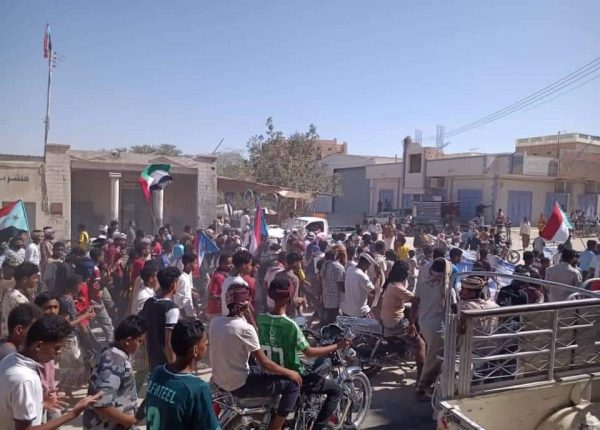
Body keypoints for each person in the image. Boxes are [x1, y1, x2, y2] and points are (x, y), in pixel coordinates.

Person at [257, 278, 347, 430]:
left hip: (269, 374)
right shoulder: (291, 325)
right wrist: (337, 346)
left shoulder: (261, 319)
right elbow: (309, 352)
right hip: (292, 376)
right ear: (288, 297)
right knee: (336, 390)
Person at [210, 283, 302, 430]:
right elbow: (265, 363)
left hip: (221, 380)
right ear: (246, 302)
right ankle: (276, 427)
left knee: (261, 370)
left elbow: (255, 337)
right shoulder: (245, 329)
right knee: (293, 385)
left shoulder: (215, 323)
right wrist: (290, 372)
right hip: (241, 385)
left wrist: (248, 314)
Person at [0, 314, 101, 429]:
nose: (59, 352)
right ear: (39, 346)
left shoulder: (11, 360)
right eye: (56, 348)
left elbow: (11, 406)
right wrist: (73, 413)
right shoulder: (26, 380)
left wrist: (40, 403)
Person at [142, 320, 219, 429]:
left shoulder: (158, 373)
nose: (207, 346)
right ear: (195, 350)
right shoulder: (198, 389)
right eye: (206, 343)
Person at [83, 315, 147, 430]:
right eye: (140, 341)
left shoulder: (111, 352)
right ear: (128, 341)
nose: (141, 345)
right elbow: (101, 404)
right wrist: (129, 421)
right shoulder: (114, 360)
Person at [409, 257, 451, 398]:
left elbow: (415, 304)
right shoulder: (447, 288)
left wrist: (411, 323)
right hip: (438, 327)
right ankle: (422, 387)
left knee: (432, 355)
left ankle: (429, 384)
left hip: (424, 324)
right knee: (434, 359)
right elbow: (454, 308)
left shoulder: (423, 283)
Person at [380, 261, 426, 383]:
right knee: (421, 344)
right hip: (395, 322)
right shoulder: (397, 287)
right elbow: (416, 300)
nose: (408, 273)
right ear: (403, 273)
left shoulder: (390, 284)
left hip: (386, 319)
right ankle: (421, 378)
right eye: (407, 271)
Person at [140, 267, 181, 370]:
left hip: (152, 358)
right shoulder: (171, 309)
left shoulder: (149, 302)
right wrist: (173, 367)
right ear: (173, 284)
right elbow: (168, 342)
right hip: (165, 361)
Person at [2, 262, 39, 336]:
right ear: (25, 279)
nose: (37, 280)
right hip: (17, 337)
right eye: (34, 278)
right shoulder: (19, 299)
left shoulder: (8, 292)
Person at [340, 253, 376, 318]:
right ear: (366, 264)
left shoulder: (349, 269)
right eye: (368, 265)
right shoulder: (363, 276)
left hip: (346, 310)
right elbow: (373, 291)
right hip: (359, 312)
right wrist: (369, 306)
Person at [273, 252, 306, 318]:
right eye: (299, 262)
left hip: (278, 310)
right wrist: (303, 300)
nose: (300, 264)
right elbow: (293, 301)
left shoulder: (278, 275)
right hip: (290, 313)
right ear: (295, 263)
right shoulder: (294, 278)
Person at [220, 250, 253, 316]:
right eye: (250, 264)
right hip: (237, 319)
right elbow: (246, 309)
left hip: (225, 317)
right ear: (244, 265)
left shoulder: (227, 280)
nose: (251, 267)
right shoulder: (241, 284)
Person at [319, 250, 345, 325]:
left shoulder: (324, 265)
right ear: (335, 256)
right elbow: (340, 283)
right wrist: (346, 291)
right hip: (335, 299)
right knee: (333, 319)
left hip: (326, 296)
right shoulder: (339, 267)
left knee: (328, 317)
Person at [206, 253, 232, 320]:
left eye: (231, 263)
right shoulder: (218, 277)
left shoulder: (224, 275)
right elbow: (211, 296)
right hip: (216, 312)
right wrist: (225, 296)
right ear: (221, 264)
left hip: (220, 311)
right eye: (228, 263)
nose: (231, 265)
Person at [174, 253, 197, 319]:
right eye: (195, 263)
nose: (196, 265)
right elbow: (178, 299)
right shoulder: (182, 278)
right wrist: (184, 317)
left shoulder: (187, 276)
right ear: (188, 264)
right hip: (185, 316)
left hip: (190, 313)